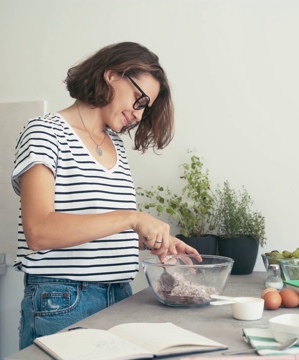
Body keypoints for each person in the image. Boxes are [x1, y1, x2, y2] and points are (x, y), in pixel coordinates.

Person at [11, 42, 201, 349]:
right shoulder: (45, 133)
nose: (139, 115)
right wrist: (133, 218)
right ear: (112, 75)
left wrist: (150, 238)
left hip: (119, 294)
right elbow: (40, 231)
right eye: (139, 100)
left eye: (145, 108)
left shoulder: (115, 145)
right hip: (63, 299)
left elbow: (97, 226)